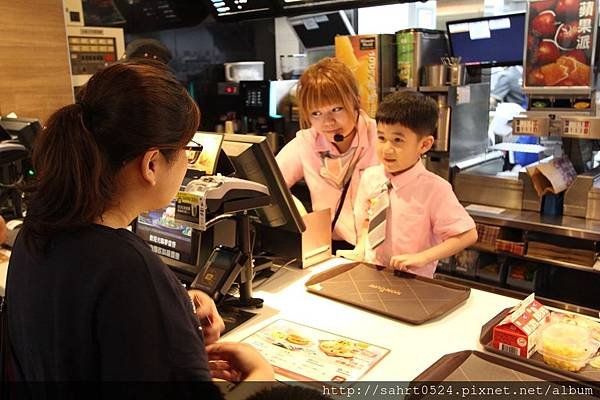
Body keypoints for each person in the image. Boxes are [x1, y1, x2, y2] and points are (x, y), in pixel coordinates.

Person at [6, 60, 273, 386]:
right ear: (151, 164)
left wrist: (176, 321)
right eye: (188, 150)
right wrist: (262, 377)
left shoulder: (35, 234)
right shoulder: (128, 268)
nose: (188, 163)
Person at [338, 91, 478, 278]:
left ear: (424, 145)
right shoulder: (370, 177)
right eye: (381, 138)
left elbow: (467, 234)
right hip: (371, 273)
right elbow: (368, 221)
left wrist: (423, 257)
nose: (387, 148)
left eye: (398, 140)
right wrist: (360, 248)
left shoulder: (435, 189)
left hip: (413, 281)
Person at [276, 58, 379, 250]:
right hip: (329, 247)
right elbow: (267, 184)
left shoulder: (381, 138)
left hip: (379, 249)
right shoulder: (306, 142)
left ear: (356, 101)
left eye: (336, 109)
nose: (328, 122)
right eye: (316, 113)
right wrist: (296, 210)